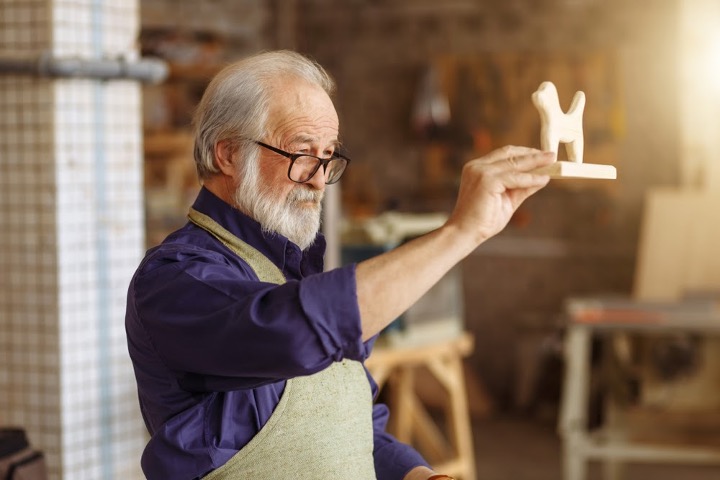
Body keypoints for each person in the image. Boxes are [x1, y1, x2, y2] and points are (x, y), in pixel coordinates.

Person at [125, 50, 554, 480]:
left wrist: (421, 476)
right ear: (228, 155)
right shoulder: (175, 278)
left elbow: (347, 430)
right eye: (302, 154)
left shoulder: (297, 270)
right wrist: (459, 233)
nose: (317, 179)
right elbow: (293, 332)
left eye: (328, 156)